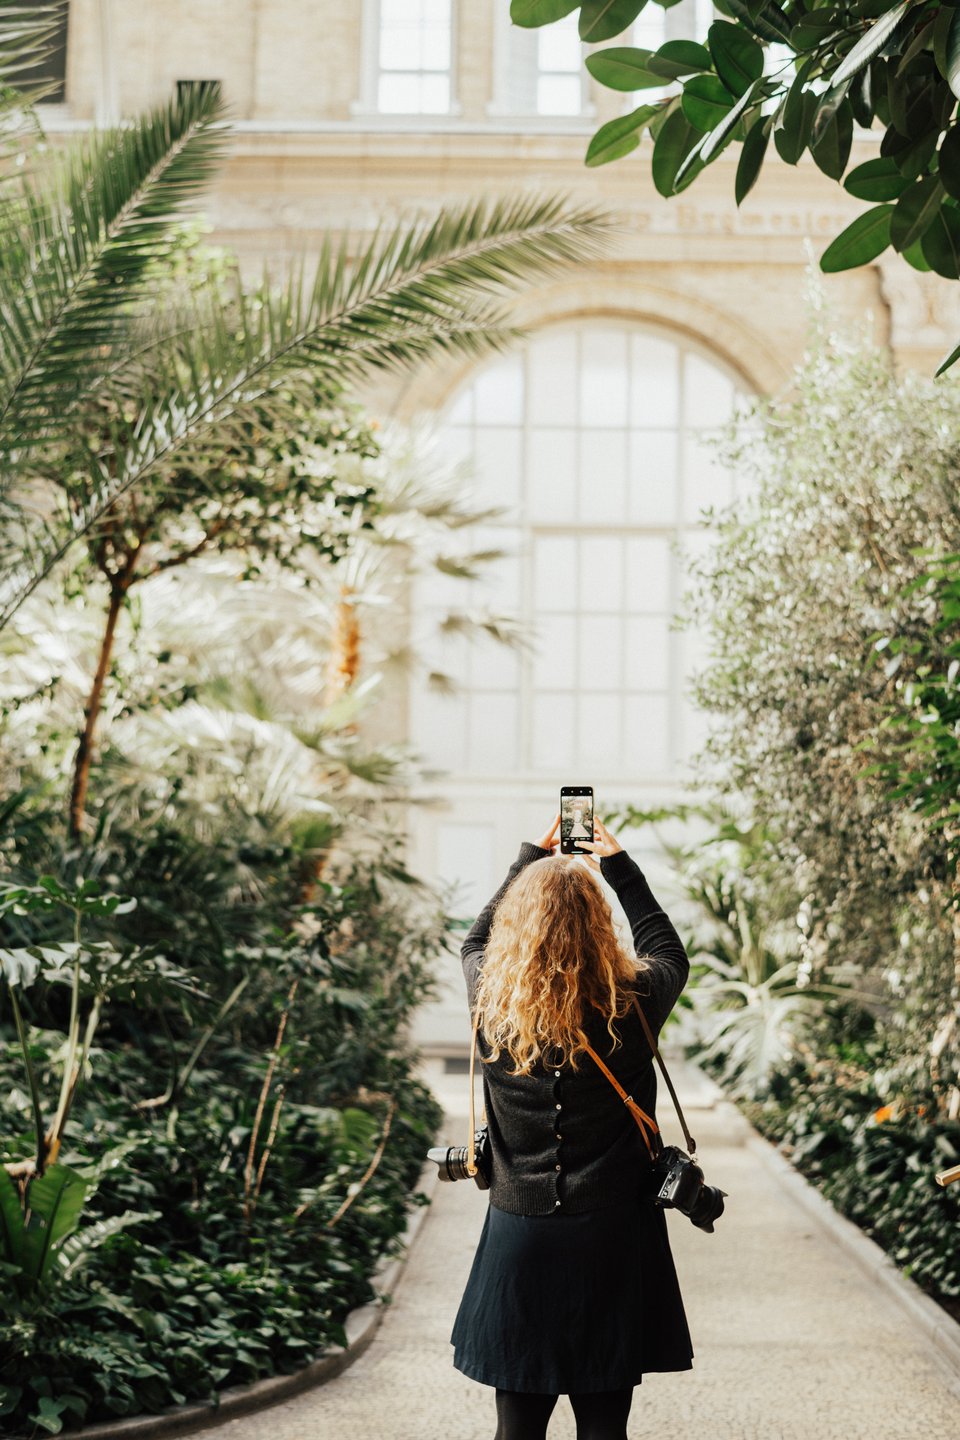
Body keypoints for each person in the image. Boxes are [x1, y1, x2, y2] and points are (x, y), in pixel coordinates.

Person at [450, 812, 693, 1440]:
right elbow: (668, 948)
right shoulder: (633, 1003)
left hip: (518, 1237)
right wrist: (617, 865)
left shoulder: (491, 1001)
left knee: (517, 1430)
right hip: (611, 1236)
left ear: (518, 926)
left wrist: (532, 855)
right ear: (599, 924)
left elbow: (474, 942)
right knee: (605, 1430)